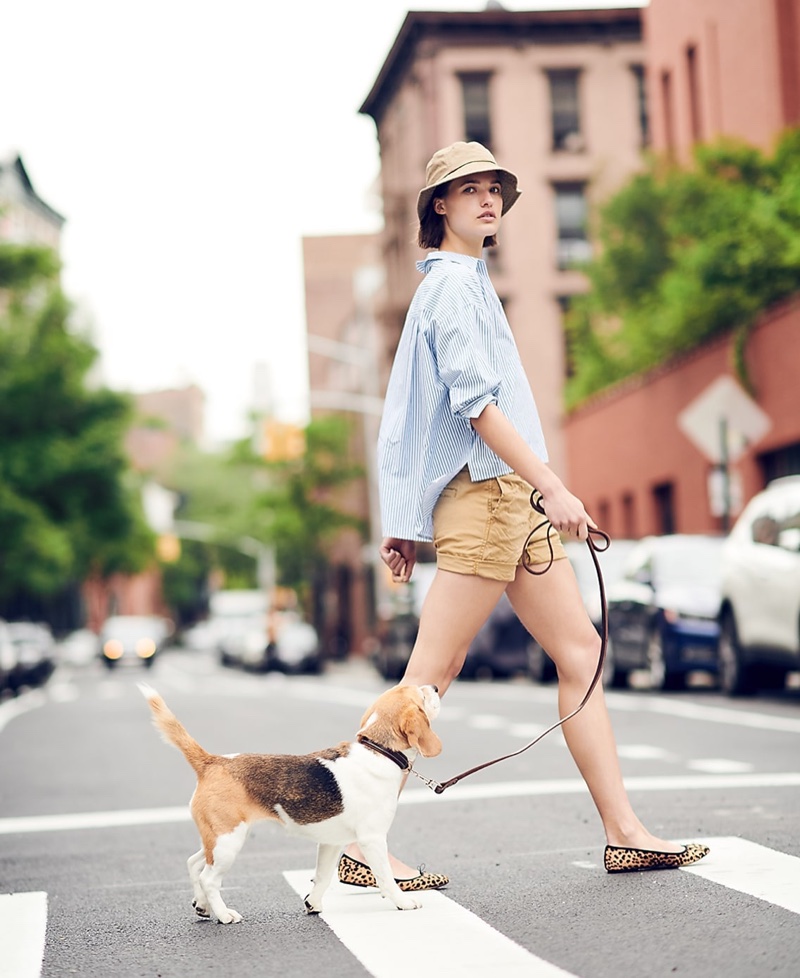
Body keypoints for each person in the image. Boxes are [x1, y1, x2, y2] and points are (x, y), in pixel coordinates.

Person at [338, 141, 709, 890]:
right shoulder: (447, 290)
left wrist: (436, 511)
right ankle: (357, 842)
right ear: (437, 206)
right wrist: (556, 485)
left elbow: (419, 411)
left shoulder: (472, 283)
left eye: (493, 189)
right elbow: (473, 409)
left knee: (582, 654)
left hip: (512, 502)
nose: (485, 200)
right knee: (428, 676)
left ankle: (625, 833)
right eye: (466, 189)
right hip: (488, 500)